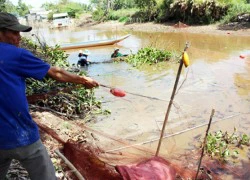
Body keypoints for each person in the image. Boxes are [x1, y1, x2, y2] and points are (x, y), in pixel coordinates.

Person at [0, 12, 99, 180]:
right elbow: (56, 72)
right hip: (20, 135)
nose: (19, 37)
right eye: (14, 32)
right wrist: (82, 79)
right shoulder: (15, 54)